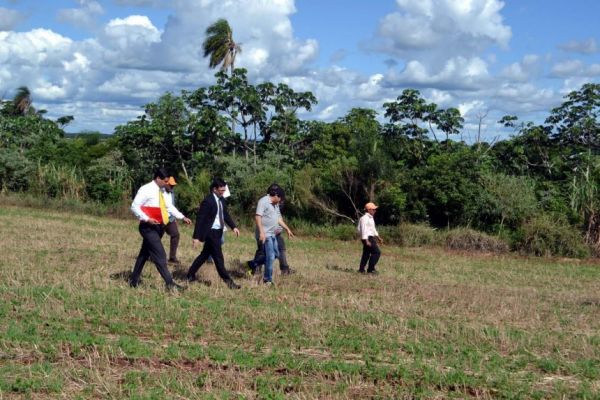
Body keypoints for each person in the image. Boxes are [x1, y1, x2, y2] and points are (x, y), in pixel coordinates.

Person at [129, 168, 192, 290]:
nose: (167, 183)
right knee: (160, 255)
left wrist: (182, 217)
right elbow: (134, 206)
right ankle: (170, 284)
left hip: (158, 227)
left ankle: (133, 281)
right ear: (158, 178)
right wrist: (147, 219)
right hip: (148, 227)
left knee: (144, 255)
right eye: (165, 181)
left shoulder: (162, 191)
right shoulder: (146, 189)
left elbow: (169, 207)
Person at [186, 178, 241, 289]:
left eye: (224, 190)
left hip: (219, 231)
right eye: (221, 190)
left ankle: (190, 274)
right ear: (215, 189)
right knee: (219, 258)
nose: (223, 192)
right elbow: (200, 219)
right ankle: (229, 282)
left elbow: (225, 215)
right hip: (211, 232)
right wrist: (196, 237)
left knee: (204, 255)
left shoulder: (222, 200)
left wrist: (233, 227)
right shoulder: (208, 201)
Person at [246, 184, 294, 285]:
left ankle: (253, 263)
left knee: (276, 254)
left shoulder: (275, 204)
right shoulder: (263, 201)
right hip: (265, 234)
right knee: (270, 256)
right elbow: (258, 217)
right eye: (280, 198)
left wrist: (287, 229)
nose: (281, 201)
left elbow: (278, 219)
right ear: (276, 195)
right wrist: (262, 232)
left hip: (272, 234)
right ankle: (267, 279)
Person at [358, 202, 382, 274]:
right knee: (377, 252)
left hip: (369, 237)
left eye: (375, 209)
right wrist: (366, 240)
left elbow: (373, 229)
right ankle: (371, 269)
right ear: (369, 210)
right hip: (367, 238)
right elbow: (363, 230)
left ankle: (361, 269)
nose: (375, 211)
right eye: (373, 209)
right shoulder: (364, 218)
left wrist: (378, 237)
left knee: (366, 253)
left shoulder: (371, 218)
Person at [164, 176, 181, 265]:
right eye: (170, 185)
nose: (172, 187)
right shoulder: (160, 192)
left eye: (173, 185)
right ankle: (148, 255)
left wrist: (174, 218)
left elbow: (172, 206)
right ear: (166, 183)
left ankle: (172, 258)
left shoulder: (172, 193)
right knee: (155, 238)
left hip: (170, 218)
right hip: (160, 218)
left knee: (175, 235)